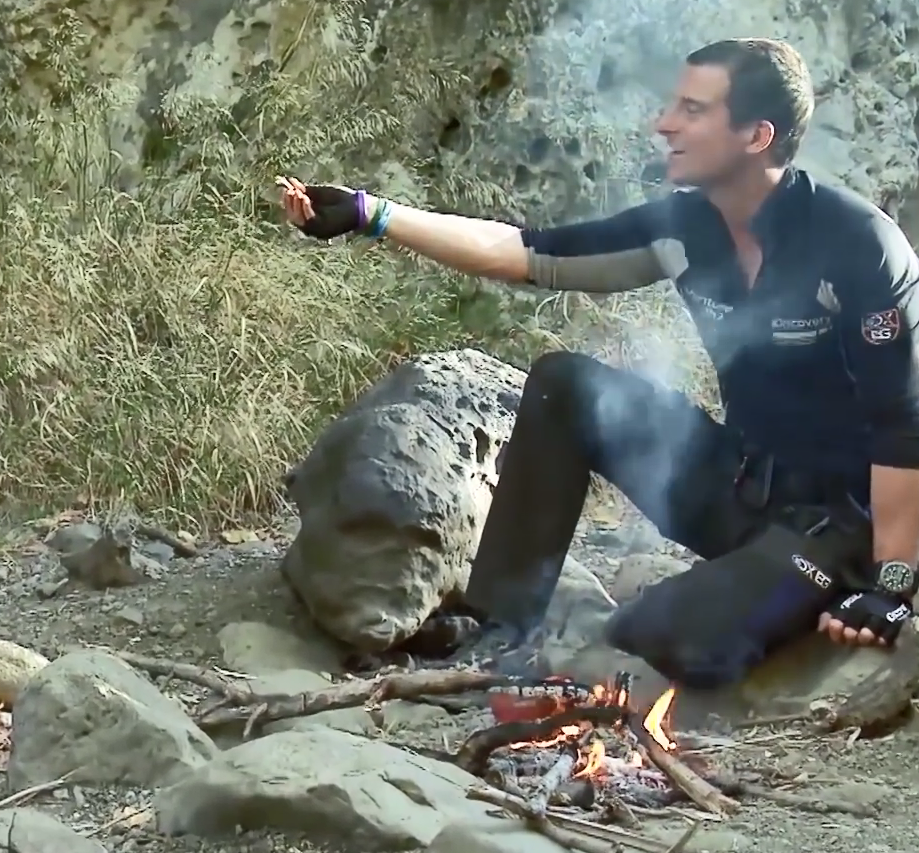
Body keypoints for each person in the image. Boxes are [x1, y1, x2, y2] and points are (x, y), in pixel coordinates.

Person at [278, 37, 919, 689]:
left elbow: (904, 422)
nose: (664, 123)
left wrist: (892, 583)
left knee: (661, 636)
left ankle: (790, 592)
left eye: (692, 110)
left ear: (756, 135)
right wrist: (371, 213)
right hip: (740, 487)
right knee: (566, 384)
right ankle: (500, 624)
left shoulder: (856, 245)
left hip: (840, 527)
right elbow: (525, 252)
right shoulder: (687, 227)